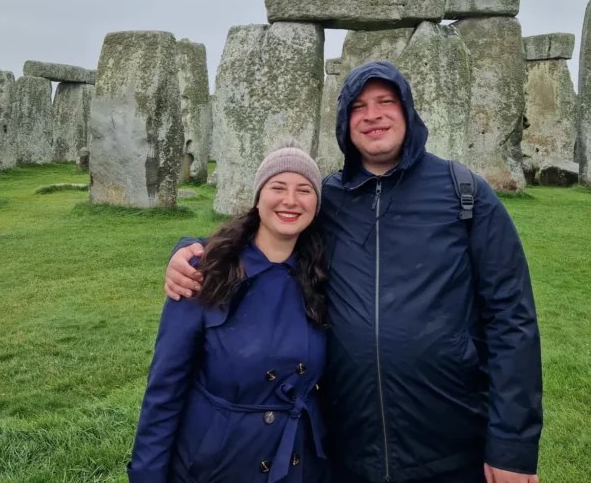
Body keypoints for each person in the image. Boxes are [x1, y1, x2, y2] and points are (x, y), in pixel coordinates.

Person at [166, 61, 543, 483]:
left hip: (451, 442)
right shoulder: (327, 199)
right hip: (347, 447)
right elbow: (264, 237)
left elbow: (512, 319)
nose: (373, 115)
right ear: (345, 122)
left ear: (409, 111)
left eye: (386, 102)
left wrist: (512, 445)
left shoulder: (465, 194)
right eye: (358, 106)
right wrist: (190, 252)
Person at [129, 144, 330, 483]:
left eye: (304, 190)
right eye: (278, 187)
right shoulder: (206, 272)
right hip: (218, 464)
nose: (291, 201)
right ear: (258, 196)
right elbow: (165, 389)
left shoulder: (322, 275)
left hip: (298, 462)